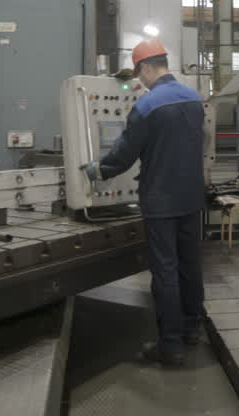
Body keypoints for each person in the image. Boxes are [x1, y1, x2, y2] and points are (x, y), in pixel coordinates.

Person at [82, 39, 206, 366]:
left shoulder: (147, 107)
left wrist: (99, 170)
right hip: (192, 198)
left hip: (162, 202)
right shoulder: (194, 99)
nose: (140, 82)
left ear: (148, 67)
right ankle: (193, 328)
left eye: (140, 75)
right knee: (190, 265)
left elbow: (124, 154)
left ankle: (171, 345)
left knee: (165, 271)